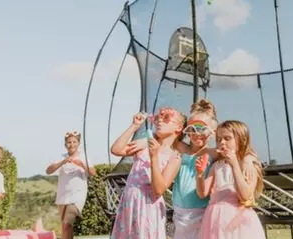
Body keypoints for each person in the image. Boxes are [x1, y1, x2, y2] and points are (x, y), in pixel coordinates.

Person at [110, 108, 186, 239]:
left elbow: (159, 190)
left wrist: (154, 156)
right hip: (129, 203)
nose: (160, 120)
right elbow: (116, 149)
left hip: (148, 207)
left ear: (179, 128)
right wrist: (134, 126)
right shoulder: (144, 145)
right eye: (157, 118)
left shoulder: (174, 157)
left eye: (166, 117)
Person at [197, 120, 266, 239]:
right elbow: (202, 193)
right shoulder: (216, 166)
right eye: (218, 139)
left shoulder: (247, 164)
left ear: (241, 140)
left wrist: (234, 165)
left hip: (237, 220)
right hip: (214, 220)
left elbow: (245, 195)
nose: (222, 142)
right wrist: (199, 175)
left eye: (227, 138)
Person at [171, 99, 219, 239]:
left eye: (202, 128)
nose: (197, 133)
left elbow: (236, 149)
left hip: (202, 210)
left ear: (211, 131)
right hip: (180, 212)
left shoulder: (213, 153)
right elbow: (164, 137)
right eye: (192, 129)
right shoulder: (181, 148)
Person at [45, 130, 96, 239]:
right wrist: (62, 162)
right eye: (69, 142)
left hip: (77, 196)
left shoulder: (83, 157)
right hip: (63, 196)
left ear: (78, 143)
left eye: (74, 142)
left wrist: (82, 164)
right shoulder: (61, 157)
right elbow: (48, 171)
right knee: (65, 226)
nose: (71, 144)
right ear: (65, 144)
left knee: (67, 223)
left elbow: (93, 172)